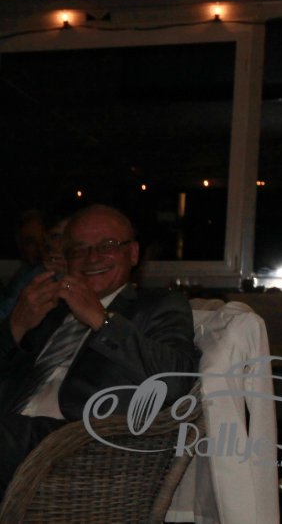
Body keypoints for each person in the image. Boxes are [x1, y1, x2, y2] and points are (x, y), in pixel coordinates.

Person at [0, 204, 198, 492]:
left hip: (78, 441)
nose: (92, 258)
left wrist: (101, 320)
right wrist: (15, 326)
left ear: (133, 253)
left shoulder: (158, 305)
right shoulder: (51, 309)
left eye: (107, 246)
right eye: (79, 249)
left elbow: (177, 381)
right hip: (15, 429)